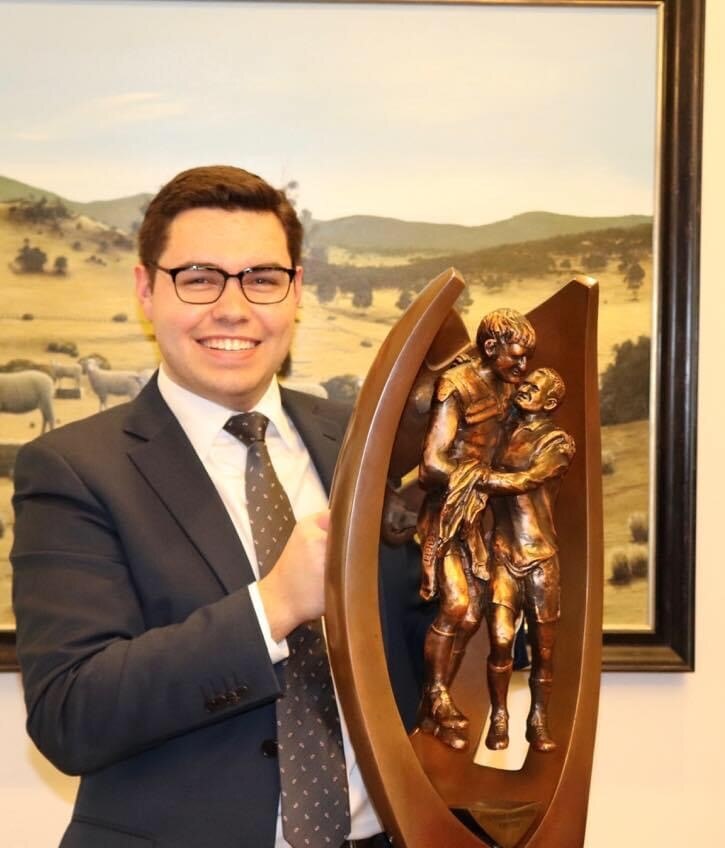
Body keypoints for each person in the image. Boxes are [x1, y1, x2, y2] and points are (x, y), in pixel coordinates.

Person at [11, 165, 422, 848]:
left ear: (296, 291)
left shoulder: (375, 443)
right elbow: (71, 714)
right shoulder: (71, 470)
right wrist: (272, 607)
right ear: (146, 290)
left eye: (262, 278)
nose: (233, 308)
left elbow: (443, 637)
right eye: (199, 278)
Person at [416, 308, 535, 749]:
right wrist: (483, 479)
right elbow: (432, 463)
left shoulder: (509, 388)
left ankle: (435, 705)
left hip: (483, 513)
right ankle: (437, 693)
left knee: (471, 616)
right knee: (455, 604)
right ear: (490, 348)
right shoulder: (456, 385)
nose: (523, 366)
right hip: (448, 511)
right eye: (516, 357)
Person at [477, 368, 575, 753]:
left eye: (534, 388)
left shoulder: (558, 443)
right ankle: (499, 716)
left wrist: (476, 478)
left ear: (549, 402)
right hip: (504, 553)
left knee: (543, 650)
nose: (525, 389)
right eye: (526, 382)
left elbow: (527, 480)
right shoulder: (502, 432)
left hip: (540, 556)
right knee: (501, 641)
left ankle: (538, 719)